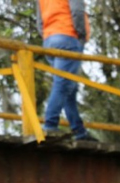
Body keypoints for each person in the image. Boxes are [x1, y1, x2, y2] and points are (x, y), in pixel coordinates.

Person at [36, 0, 97, 141]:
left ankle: (79, 131)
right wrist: (80, 35)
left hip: (49, 40)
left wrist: (48, 36)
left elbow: (40, 21)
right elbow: (77, 11)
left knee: (69, 87)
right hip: (68, 37)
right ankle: (50, 124)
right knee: (62, 86)